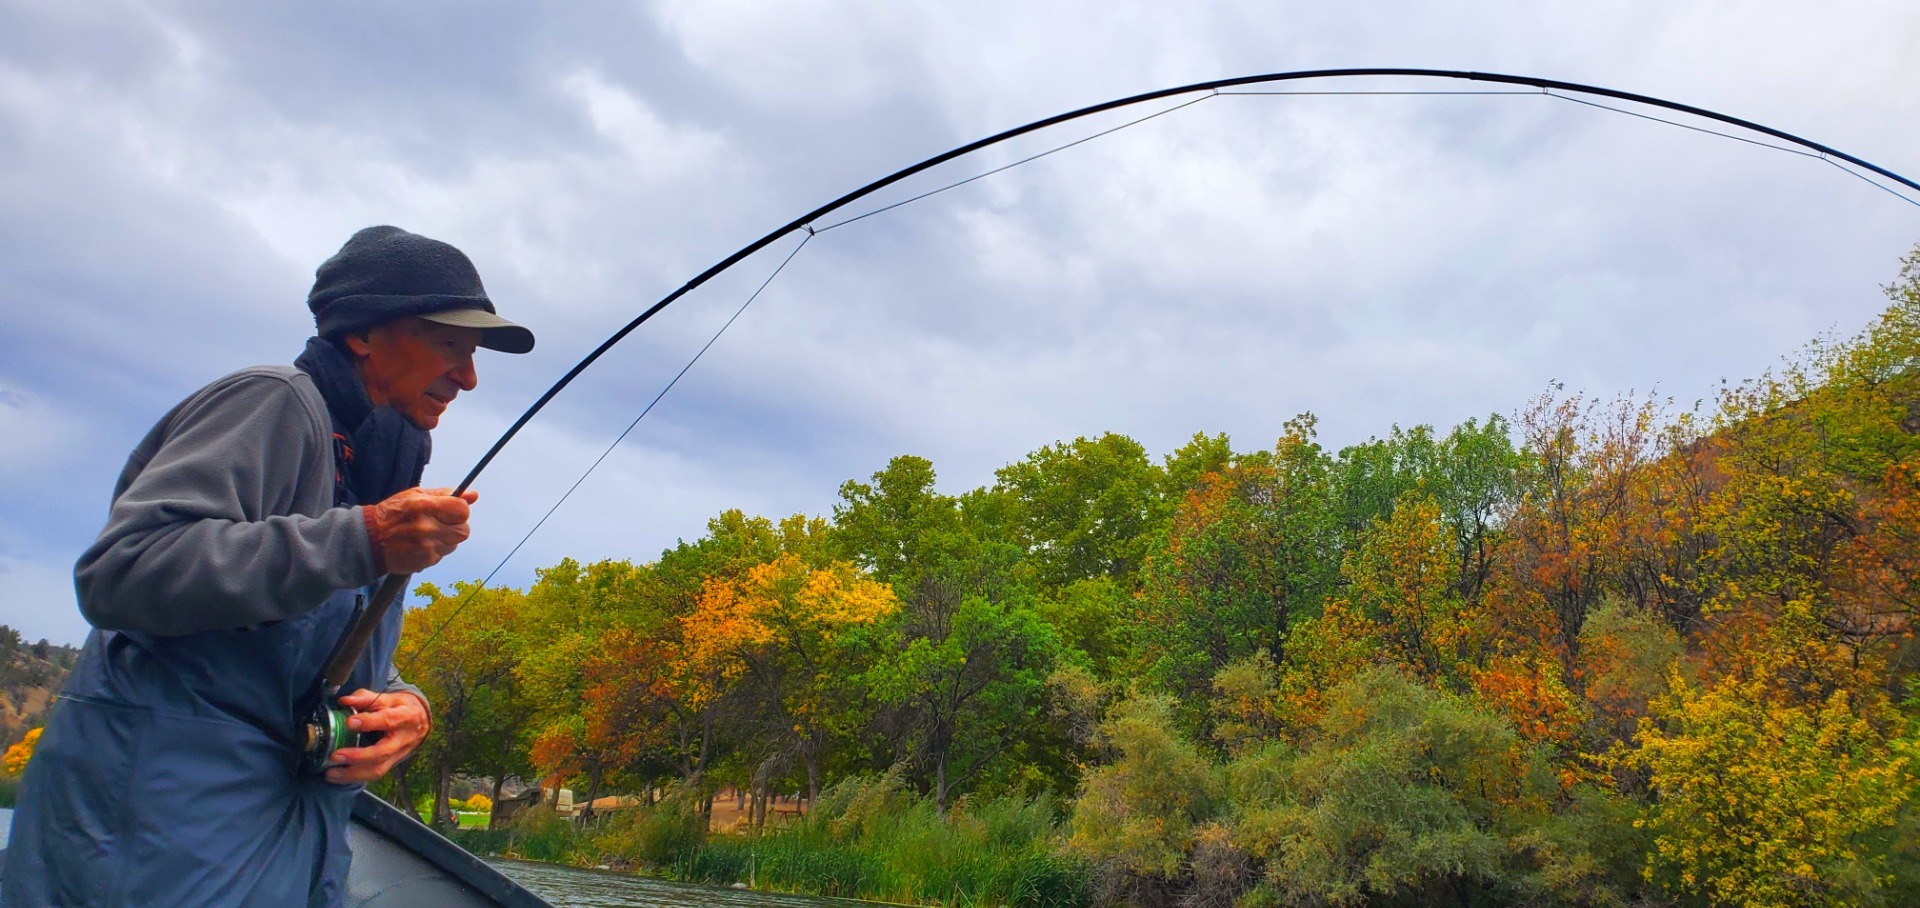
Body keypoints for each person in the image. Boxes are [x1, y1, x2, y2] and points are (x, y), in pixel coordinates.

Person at [3, 226, 535, 907]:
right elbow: (123, 571)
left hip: (279, 840)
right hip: (156, 843)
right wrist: (363, 538)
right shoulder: (272, 401)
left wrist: (407, 706)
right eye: (449, 344)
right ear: (363, 334)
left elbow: (310, 641)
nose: (468, 376)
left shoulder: (376, 454)